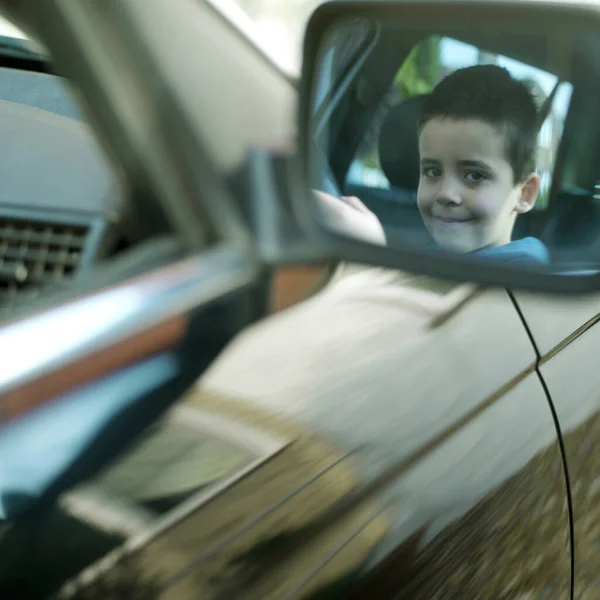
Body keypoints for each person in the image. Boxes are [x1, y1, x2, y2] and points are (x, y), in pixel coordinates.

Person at [316, 65, 550, 265]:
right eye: (432, 171)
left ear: (524, 194)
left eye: (474, 175)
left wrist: (372, 257)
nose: (446, 194)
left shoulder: (527, 277)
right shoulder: (435, 259)